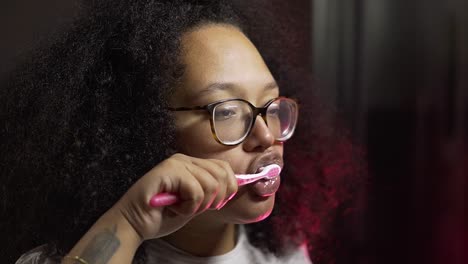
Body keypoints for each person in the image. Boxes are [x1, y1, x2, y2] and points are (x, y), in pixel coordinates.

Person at [1, 1, 365, 263]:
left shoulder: (283, 252)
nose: (268, 138)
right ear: (143, 129)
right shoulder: (65, 257)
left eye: (270, 105)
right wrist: (129, 223)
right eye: (227, 112)